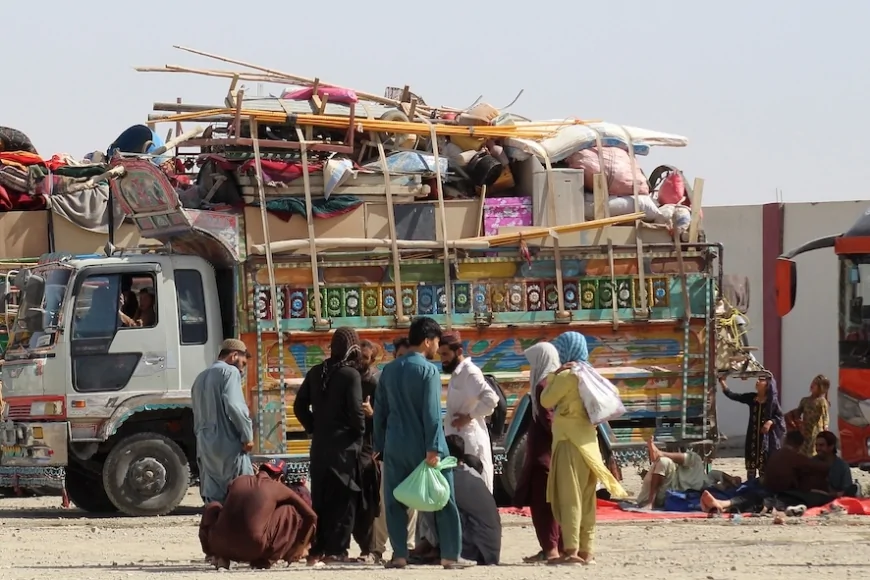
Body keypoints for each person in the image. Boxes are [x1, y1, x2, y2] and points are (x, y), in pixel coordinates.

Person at [374, 317, 469, 570]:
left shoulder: (388, 371)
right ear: (427, 341)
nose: (437, 347)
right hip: (423, 445)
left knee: (394, 500)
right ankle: (450, 555)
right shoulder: (428, 371)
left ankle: (399, 555)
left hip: (394, 444)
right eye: (436, 341)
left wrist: (378, 446)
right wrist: (434, 447)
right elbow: (432, 413)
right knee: (444, 497)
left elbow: (380, 411)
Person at [541, 331, 627, 566]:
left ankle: (571, 550)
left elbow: (545, 400)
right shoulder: (589, 373)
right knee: (588, 499)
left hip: (569, 443)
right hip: (590, 445)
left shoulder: (567, 375)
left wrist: (554, 375)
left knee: (569, 497)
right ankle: (587, 551)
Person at [293, 327, 366, 564]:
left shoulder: (316, 372)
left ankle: (318, 549)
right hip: (344, 447)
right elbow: (356, 412)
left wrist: (313, 427)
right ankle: (337, 551)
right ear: (352, 348)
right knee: (343, 500)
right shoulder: (350, 375)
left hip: (320, 447)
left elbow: (299, 406)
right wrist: (360, 433)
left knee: (322, 499)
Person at [199, 459, 317, 570]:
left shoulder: (238, 481)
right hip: (253, 549)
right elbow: (311, 516)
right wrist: (301, 545)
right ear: (281, 478)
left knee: (213, 506)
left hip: (220, 546)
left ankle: (217, 556)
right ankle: (265, 560)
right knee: (289, 510)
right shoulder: (277, 487)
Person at [413, 435, 501, 565]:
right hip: (487, 548)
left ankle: (435, 548)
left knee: (429, 504)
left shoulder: (452, 478)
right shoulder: (469, 472)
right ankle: (431, 547)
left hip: (477, 550)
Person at [512, 342, 562, 563]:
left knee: (543, 505)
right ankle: (557, 548)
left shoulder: (543, 386)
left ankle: (551, 549)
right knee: (554, 503)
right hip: (550, 454)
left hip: (543, 457)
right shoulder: (556, 382)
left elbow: (548, 420)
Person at [700, 430, 830, 514]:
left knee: (754, 498)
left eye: (821, 446)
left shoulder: (778, 454)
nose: (818, 449)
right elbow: (820, 467)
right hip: (779, 493)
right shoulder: (795, 456)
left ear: (785, 440)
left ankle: (722, 505)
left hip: (772, 491)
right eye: (817, 446)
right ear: (799, 445)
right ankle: (722, 504)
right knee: (760, 501)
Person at [191, 338, 255, 505]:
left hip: (205, 445)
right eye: (243, 363)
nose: (242, 369)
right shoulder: (229, 372)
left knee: (215, 499)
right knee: (243, 492)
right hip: (228, 444)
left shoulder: (200, 378)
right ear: (234, 356)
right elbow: (235, 406)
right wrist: (247, 436)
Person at [439, 331, 500, 492]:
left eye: (445, 354)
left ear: (459, 351)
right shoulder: (458, 373)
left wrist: (468, 417)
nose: (442, 359)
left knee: (476, 487)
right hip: (459, 442)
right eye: (440, 355)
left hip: (470, 441)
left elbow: (491, 399)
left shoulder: (470, 372)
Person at [635, 439, 740, 509]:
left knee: (693, 459)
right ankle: (650, 502)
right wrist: (731, 479)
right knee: (666, 462)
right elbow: (720, 474)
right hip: (670, 486)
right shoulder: (710, 477)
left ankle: (660, 454)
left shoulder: (715, 492)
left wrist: (725, 486)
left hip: (673, 494)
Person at [719, 374, 785, 479]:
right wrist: (722, 382)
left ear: (767, 385)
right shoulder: (752, 398)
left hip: (766, 441)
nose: (757, 381)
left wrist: (770, 422)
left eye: (761, 380)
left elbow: (780, 417)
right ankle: (750, 487)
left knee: (765, 472)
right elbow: (733, 395)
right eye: (758, 379)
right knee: (751, 470)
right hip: (752, 439)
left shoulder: (772, 402)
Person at [353, 339, 383, 563]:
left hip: (367, 447)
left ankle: (370, 548)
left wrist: (372, 413)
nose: (360, 362)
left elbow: (386, 415)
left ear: (372, 360)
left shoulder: (374, 382)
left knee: (367, 499)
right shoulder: (349, 378)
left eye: (364, 358)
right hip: (350, 446)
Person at [785, 375, 830, 456]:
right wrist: (796, 421)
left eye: (815, 384)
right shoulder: (804, 400)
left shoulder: (822, 402)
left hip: (816, 434)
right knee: (802, 454)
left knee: (814, 454)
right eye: (813, 382)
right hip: (804, 433)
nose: (812, 385)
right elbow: (797, 413)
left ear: (821, 388)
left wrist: (825, 431)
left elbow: (825, 417)